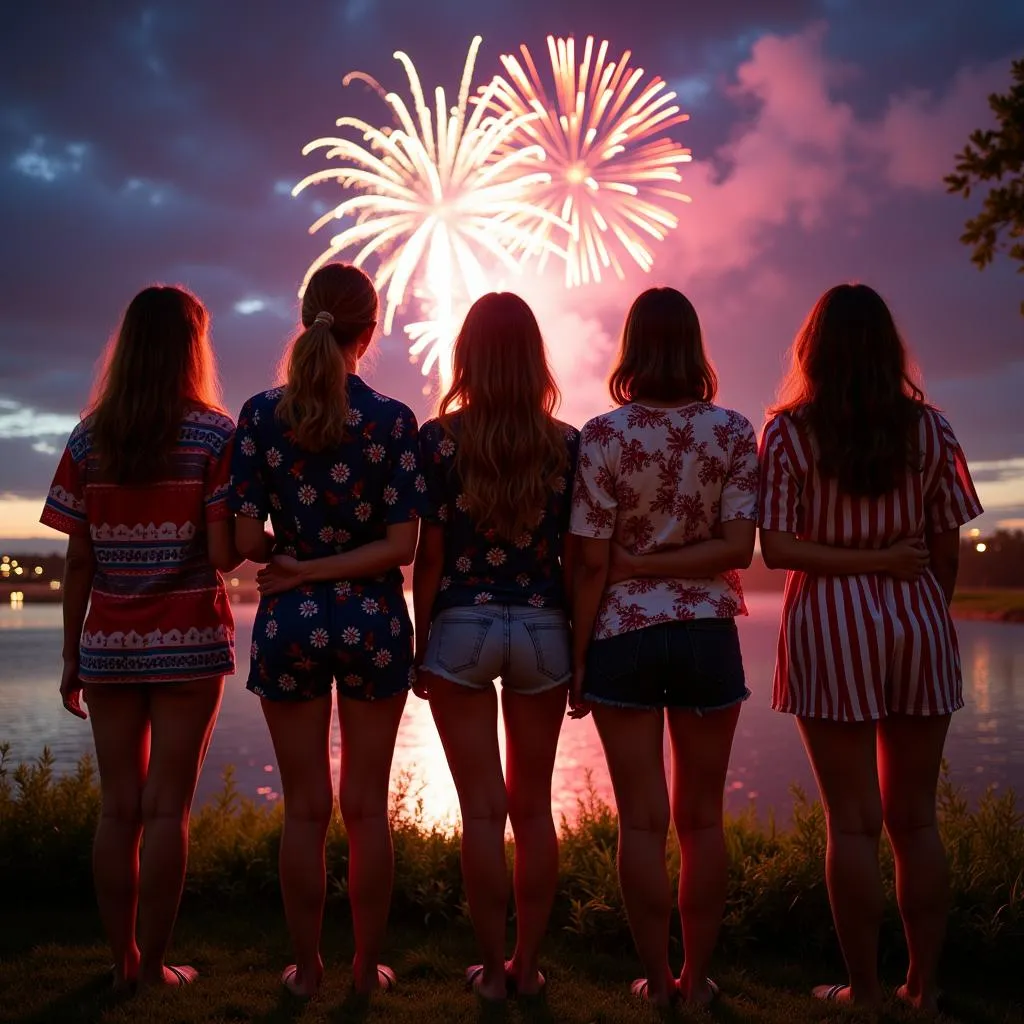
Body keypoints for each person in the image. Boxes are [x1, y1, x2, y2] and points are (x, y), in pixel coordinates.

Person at [757, 283, 983, 1011]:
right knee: (915, 819)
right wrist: (907, 596)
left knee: (850, 822)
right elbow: (945, 552)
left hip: (827, 627)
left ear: (810, 349)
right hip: (918, 622)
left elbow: (777, 548)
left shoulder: (788, 433)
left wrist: (854, 573)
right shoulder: (933, 432)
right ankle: (923, 985)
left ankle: (864, 991)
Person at [229, 262, 428, 999]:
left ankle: (307, 968)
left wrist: (301, 564)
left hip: (288, 625)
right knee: (366, 807)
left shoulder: (259, 415)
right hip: (375, 622)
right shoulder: (393, 420)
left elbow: (249, 538)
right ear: (368, 332)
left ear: (305, 317)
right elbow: (401, 547)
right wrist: (340, 568)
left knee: (305, 808)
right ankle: (364, 969)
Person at [40, 286, 238, 991]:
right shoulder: (215, 435)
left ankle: (119, 959)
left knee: (117, 807)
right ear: (194, 347)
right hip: (189, 643)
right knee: (166, 810)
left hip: (110, 646)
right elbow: (221, 554)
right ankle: (153, 966)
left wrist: (71, 657)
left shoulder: (92, 436)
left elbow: (80, 559)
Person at [569, 286, 758, 1008]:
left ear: (632, 349)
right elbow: (738, 546)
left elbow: (590, 563)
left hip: (623, 633)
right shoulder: (734, 431)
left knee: (642, 821)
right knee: (703, 819)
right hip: (708, 632)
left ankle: (656, 978)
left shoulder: (604, 434)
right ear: (695, 346)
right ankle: (698, 976)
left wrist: (582, 658)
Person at [412, 292, 579, 1001]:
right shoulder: (567, 442)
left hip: (462, 626)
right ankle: (530, 966)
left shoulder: (438, 439)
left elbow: (428, 557)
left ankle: (489, 970)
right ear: (534, 358)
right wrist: (580, 646)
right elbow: (575, 559)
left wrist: (423, 644)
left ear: (468, 357)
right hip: (543, 625)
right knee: (532, 808)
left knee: (480, 811)